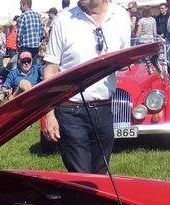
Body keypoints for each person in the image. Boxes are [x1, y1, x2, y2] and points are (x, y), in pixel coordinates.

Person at [43, 0, 131, 174]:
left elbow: (125, 59)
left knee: (101, 176)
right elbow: (51, 69)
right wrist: (49, 114)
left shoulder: (121, 16)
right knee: (80, 176)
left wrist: (124, 63)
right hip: (70, 111)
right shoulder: (64, 20)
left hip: (104, 108)